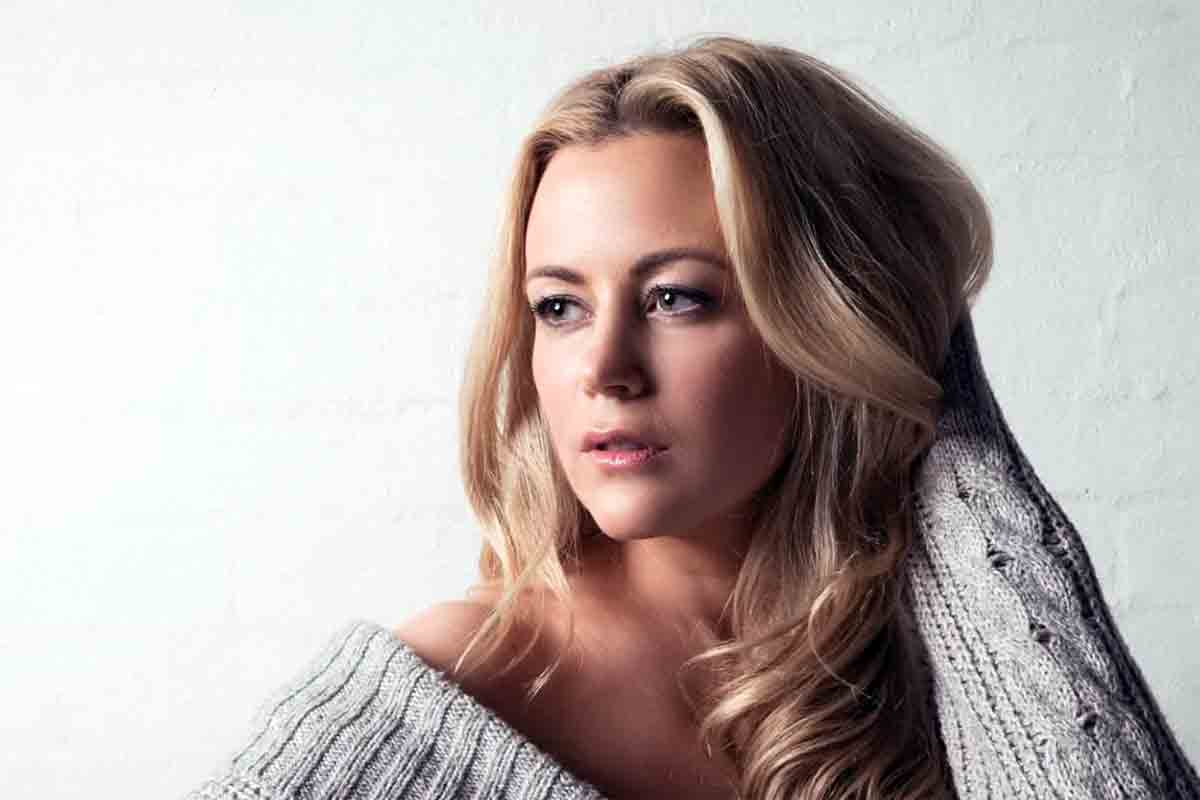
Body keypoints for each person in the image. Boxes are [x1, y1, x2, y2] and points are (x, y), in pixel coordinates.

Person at [185, 36, 1198, 800]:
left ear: (828, 325)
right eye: (559, 307)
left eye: (677, 298)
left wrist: (944, 407)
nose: (605, 370)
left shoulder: (929, 676)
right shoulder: (436, 701)